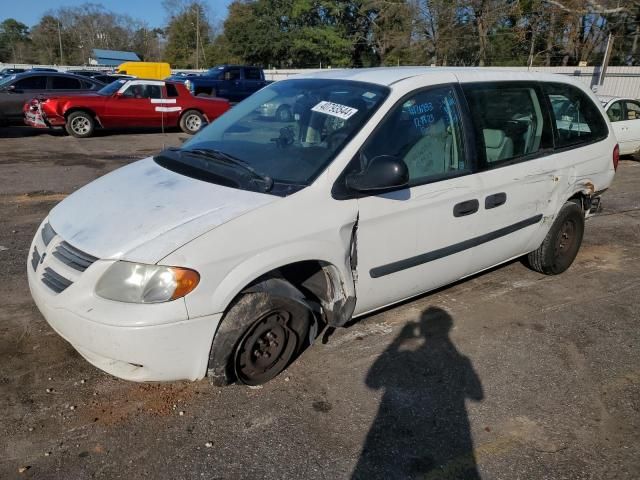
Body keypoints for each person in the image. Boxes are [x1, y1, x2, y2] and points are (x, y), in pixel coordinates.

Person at [353, 307, 484, 479]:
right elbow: (477, 394)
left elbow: (372, 381)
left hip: (403, 438)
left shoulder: (406, 356)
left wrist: (399, 340)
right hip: (442, 440)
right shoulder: (460, 361)